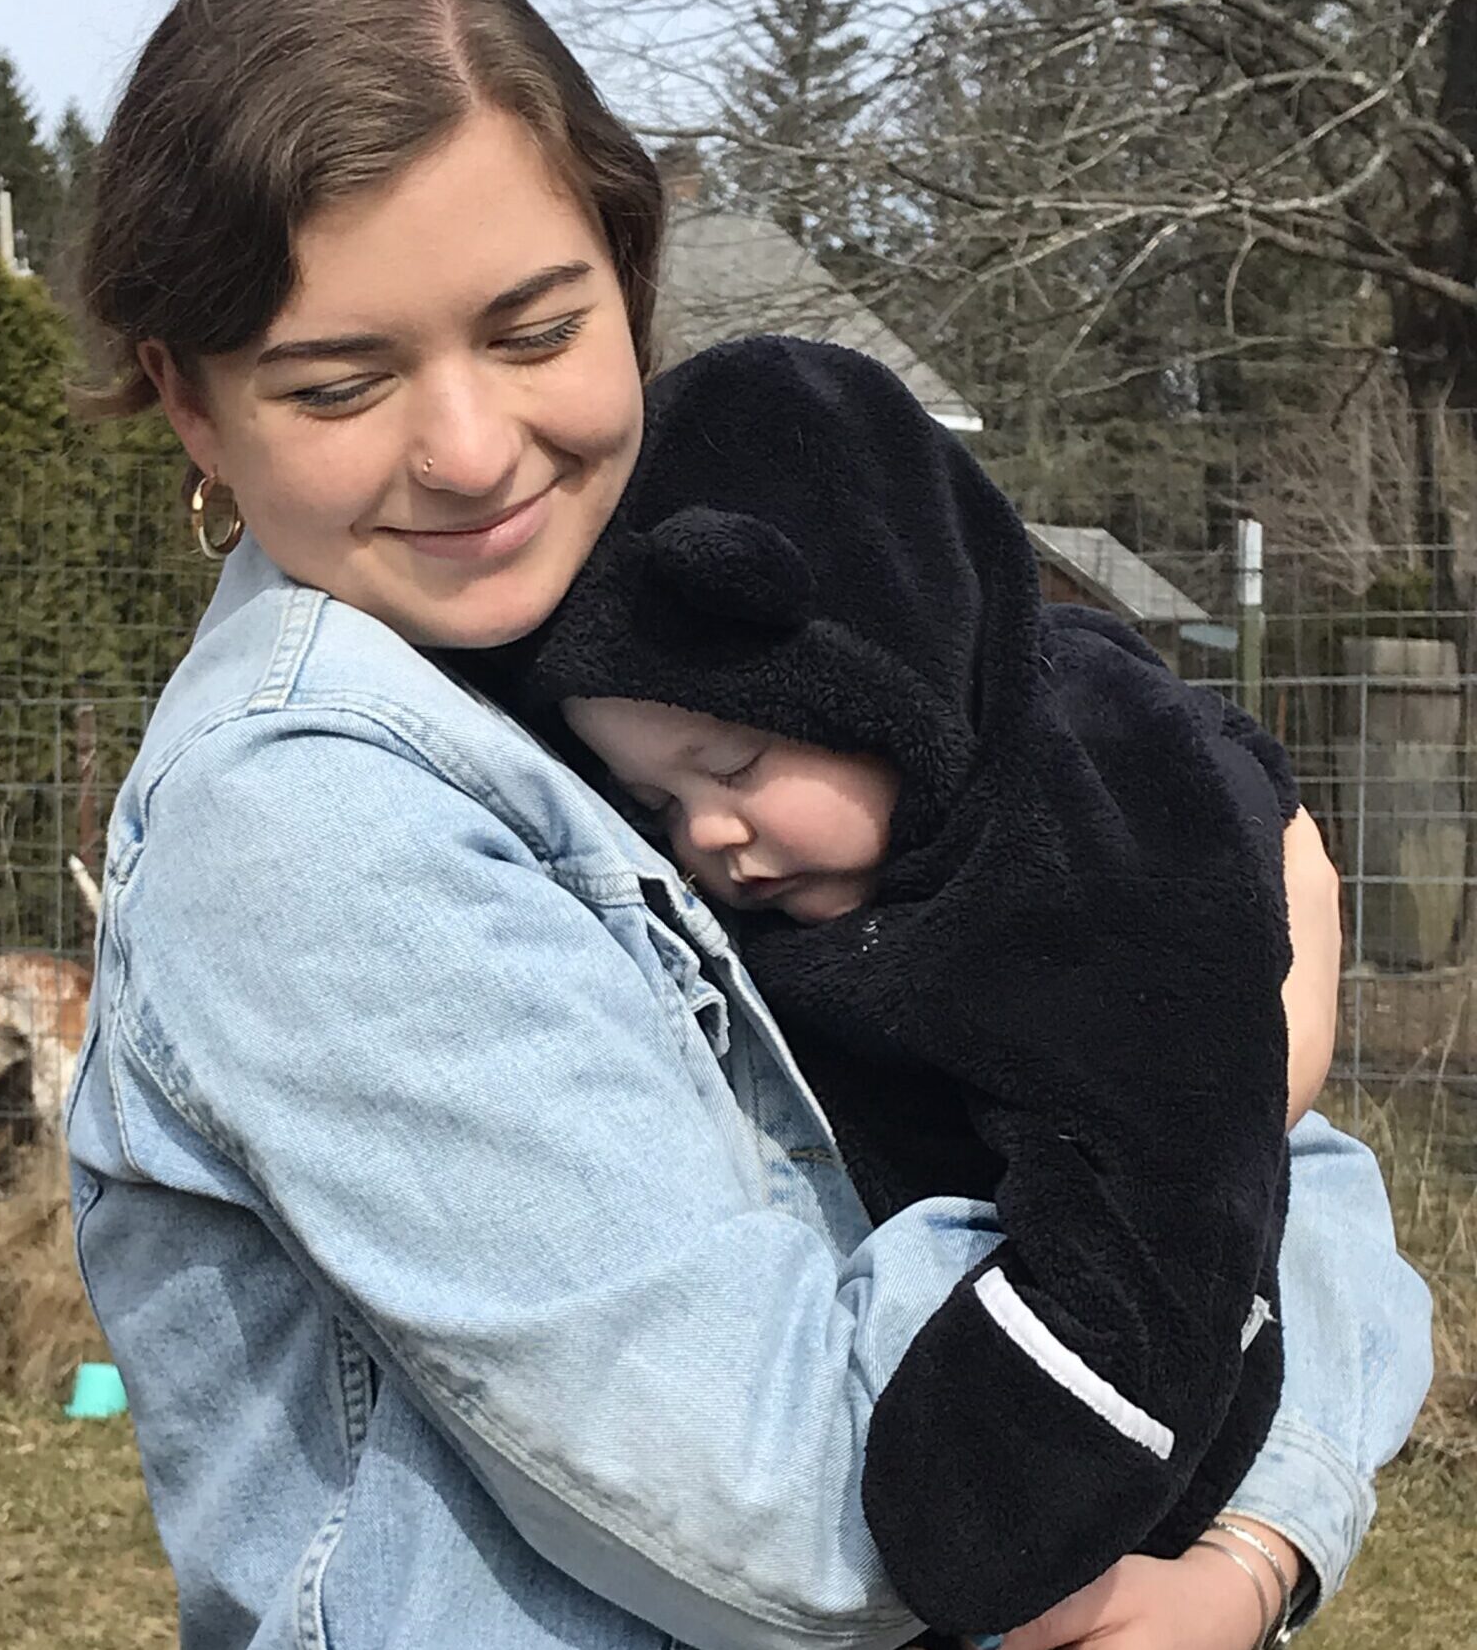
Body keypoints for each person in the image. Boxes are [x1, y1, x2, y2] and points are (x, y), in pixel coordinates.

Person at [65, 0, 1432, 1650]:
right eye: (340, 382)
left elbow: (1327, 1207)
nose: (473, 451)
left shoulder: (703, 661)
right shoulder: (309, 821)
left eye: (538, 326)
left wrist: (1249, 1553)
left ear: (628, 274)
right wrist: (1196, 1062)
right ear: (189, 403)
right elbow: (812, 1515)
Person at [509, 332, 1324, 1636]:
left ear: (895, 675)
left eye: (738, 758)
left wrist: (1023, 1463)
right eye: (659, 800)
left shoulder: (1083, 826)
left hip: (1109, 1484)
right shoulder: (803, 897)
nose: (706, 833)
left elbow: (1162, 1172)